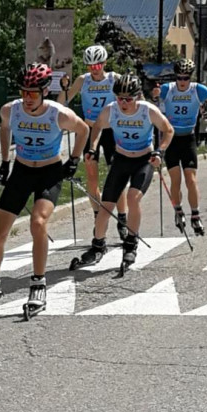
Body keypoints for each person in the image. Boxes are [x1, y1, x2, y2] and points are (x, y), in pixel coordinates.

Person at [0, 62, 89, 316]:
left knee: (38, 222)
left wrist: (74, 160)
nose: (27, 98)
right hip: (21, 171)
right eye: (23, 92)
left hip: (49, 173)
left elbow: (83, 130)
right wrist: (4, 162)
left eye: (32, 93)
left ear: (45, 91)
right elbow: (5, 129)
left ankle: (38, 283)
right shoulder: (10, 110)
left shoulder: (58, 114)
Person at [75, 72, 174, 269]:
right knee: (106, 206)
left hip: (143, 160)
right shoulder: (111, 110)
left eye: (128, 99)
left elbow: (168, 130)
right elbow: (97, 127)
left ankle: (130, 243)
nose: (123, 103)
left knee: (132, 198)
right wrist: (92, 148)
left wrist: (160, 151)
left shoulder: (147, 110)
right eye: (120, 98)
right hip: (121, 159)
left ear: (137, 96)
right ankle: (98, 245)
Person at [57, 45, 129, 240]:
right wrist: (64, 88)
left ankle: (122, 218)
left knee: (117, 176)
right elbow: (61, 103)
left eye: (97, 65)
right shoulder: (83, 80)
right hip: (89, 130)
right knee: (91, 175)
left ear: (104, 63)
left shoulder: (114, 78)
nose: (94, 69)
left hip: (111, 131)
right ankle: (98, 217)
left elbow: (128, 100)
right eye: (90, 66)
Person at [157, 58, 207, 236]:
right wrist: (155, 95)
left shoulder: (198, 90)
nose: (182, 81)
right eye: (179, 77)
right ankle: (178, 210)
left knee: (191, 179)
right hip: (171, 139)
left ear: (190, 77)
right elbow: (152, 105)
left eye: (186, 78)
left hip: (188, 138)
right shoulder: (167, 89)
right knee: (175, 179)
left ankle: (195, 215)